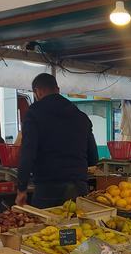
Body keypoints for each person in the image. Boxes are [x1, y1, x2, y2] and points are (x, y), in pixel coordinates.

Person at [15, 73, 99, 208]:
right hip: (78, 188)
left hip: (48, 189)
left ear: (38, 91)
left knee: (47, 227)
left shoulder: (34, 113)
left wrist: (22, 188)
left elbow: (27, 153)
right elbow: (94, 158)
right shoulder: (81, 116)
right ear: (58, 89)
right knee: (78, 227)